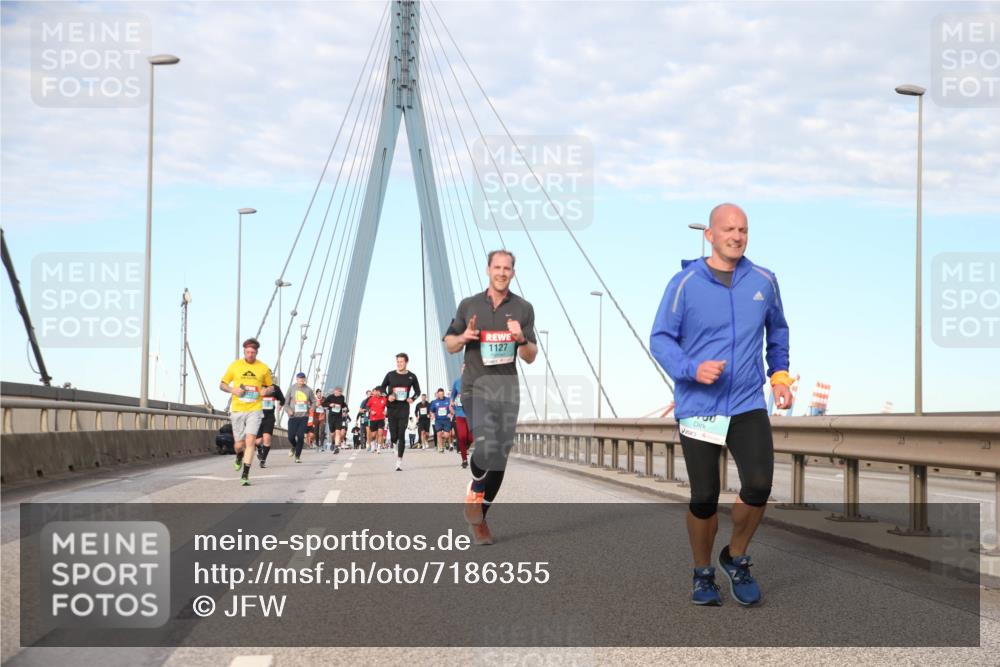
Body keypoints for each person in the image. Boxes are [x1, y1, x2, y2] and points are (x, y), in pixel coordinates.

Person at [650, 203, 792, 607]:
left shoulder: (764, 280)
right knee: (704, 495)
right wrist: (692, 368)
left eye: (743, 229)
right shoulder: (685, 282)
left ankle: (736, 556)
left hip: (747, 400)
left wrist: (779, 374)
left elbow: (777, 330)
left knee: (759, 485)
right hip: (699, 405)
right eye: (728, 229)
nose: (737, 235)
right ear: (709, 235)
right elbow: (660, 338)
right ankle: (702, 572)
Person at [444, 250, 537, 545]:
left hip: (507, 390)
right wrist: (464, 338)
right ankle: (475, 489)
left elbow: (531, 356)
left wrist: (521, 338)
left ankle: (480, 515)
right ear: (488, 270)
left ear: (513, 272)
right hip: (475, 387)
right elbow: (449, 345)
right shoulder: (469, 305)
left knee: (499, 459)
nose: (501, 272)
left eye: (507, 268)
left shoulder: (523, 308)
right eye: (496, 267)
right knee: (486, 442)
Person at [219, 338, 274, 486]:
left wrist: (266, 390)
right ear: (244, 351)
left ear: (257, 352)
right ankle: (238, 456)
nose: (250, 355)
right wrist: (232, 389)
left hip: (255, 409)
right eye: (247, 352)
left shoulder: (263, 368)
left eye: (253, 352)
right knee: (238, 445)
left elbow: (271, 387)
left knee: (250, 441)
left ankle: (245, 474)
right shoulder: (235, 366)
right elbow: (222, 384)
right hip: (237, 409)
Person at [380, 353, 421, 470]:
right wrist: (388, 396)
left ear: (406, 362)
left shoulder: (412, 376)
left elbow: (418, 391)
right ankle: (393, 442)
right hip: (392, 408)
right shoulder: (390, 375)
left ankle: (399, 461)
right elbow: (382, 388)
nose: (399, 364)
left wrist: (412, 399)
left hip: (404, 408)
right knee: (394, 435)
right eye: (398, 362)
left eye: (401, 362)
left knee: (401, 434)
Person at [284, 372, 315, 463]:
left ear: (305, 379)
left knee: (301, 436)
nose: (301, 380)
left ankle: (297, 456)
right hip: (293, 416)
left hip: (304, 417)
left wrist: (312, 409)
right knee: (290, 436)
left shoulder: (308, 390)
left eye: (303, 378)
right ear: (296, 379)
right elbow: (285, 403)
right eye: (299, 378)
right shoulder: (291, 388)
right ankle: (294, 446)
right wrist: (288, 410)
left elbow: (313, 401)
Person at [255, 382, 285, 468]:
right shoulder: (257, 385)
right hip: (257, 416)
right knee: (258, 441)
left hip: (269, 417)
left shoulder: (275, 388)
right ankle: (259, 448)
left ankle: (263, 460)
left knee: (267, 439)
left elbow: (282, 399)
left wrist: (280, 405)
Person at [451, 365, 471, 468]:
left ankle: (466, 447)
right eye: (463, 367)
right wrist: (451, 402)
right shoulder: (457, 382)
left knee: (471, 438)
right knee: (462, 436)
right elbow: (453, 394)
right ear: (461, 369)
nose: (464, 369)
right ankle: (464, 459)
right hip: (459, 413)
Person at [324, 387, 348, 453]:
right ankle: (333, 442)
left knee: (338, 432)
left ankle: (337, 447)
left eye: (341, 392)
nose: (340, 393)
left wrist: (345, 408)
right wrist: (330, 404)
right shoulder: (330, 397)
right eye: (339, 391)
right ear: (335, 391)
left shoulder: (342, 397)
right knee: (332, 433)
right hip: (331, 417)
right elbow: (324, 404)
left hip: (338, 417)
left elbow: (342, 404)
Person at [429, 388, 452, 453]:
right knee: (438, 434)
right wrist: (432, 415)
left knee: (447, 435)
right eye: (440, 394)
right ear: (438, 394)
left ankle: (446, 441)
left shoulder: (448, 400)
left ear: (444, 394)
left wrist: (451, 413)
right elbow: (431, 411)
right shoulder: (434, 402)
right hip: (438, 420)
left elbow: (453, 408)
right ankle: (441, 448)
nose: (441, 395)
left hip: (446, 420)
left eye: (442, 394)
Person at [366, 386, 388, 454]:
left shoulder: (384, 399)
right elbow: (367, 407)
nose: (378, 393)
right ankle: (373, 446)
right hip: (373, 419)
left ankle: (378, 448)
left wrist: (386, 412)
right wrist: (370, 411)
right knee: (373, 435)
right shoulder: (372, 399)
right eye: (376, 391)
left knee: (380, 433)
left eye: (379, 391)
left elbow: (389, 407)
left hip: (381, 419)